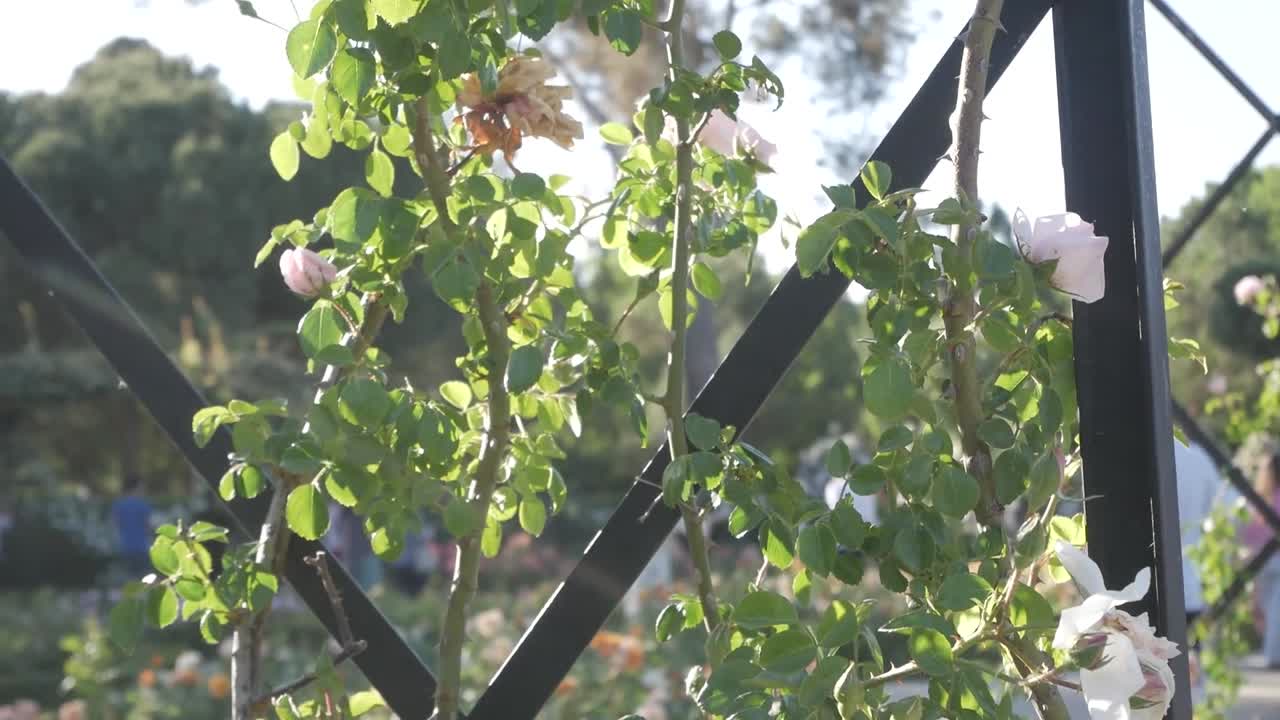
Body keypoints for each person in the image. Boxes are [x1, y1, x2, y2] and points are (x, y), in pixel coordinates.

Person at [1245, 452, 1280, 668]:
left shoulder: (1263, 501)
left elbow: (1250, 537)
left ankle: (1274, 654)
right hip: (1271, 562)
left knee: (1271, 609)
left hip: (1266, 563)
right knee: (1274, 609)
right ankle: (1273, 653)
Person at [110, 475, 153, 576]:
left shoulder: (118, 505)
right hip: (143, 548)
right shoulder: (143, 505)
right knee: (144, 580)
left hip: (125, 547)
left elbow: (114, 525)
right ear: (137, 487)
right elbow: (149, 527)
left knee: (128, 580)